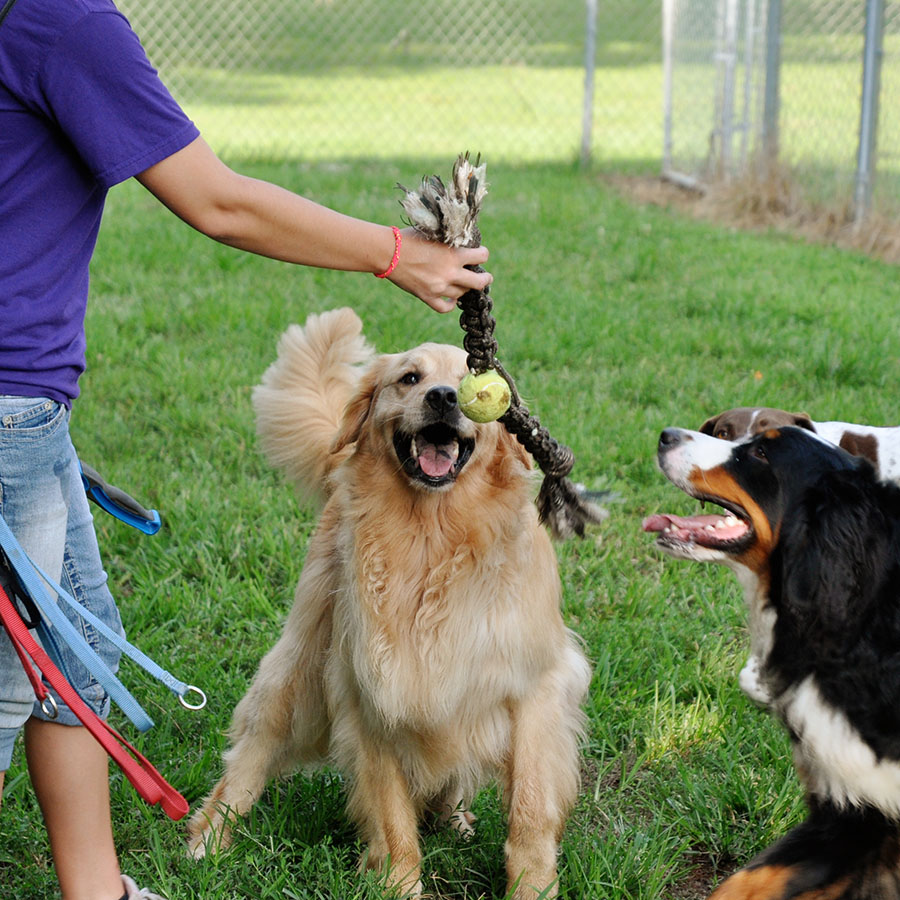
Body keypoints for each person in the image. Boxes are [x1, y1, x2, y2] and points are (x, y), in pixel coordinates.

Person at [0, 1, 492, 898]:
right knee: (10, 681)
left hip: (23, 408)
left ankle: (96, 889)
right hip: (7, 406)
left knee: (75, 651)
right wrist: (394, 254)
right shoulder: (59, 21)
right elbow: (217, 201)